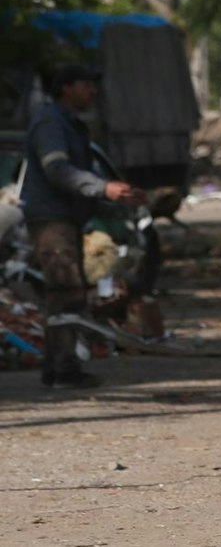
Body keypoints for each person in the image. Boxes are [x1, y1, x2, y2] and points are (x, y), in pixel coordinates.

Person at [21, 63, 140, 389]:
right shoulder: (49, 123)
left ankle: (57, 368)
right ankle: (63, 370)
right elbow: (57, 171)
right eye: (86, 86)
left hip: (66, 218)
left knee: (68, 292)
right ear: (67, 88)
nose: (92, 92)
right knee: (65, 289)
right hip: (51, 220)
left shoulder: (71, 125)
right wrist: (103, 188)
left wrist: (113, 193)